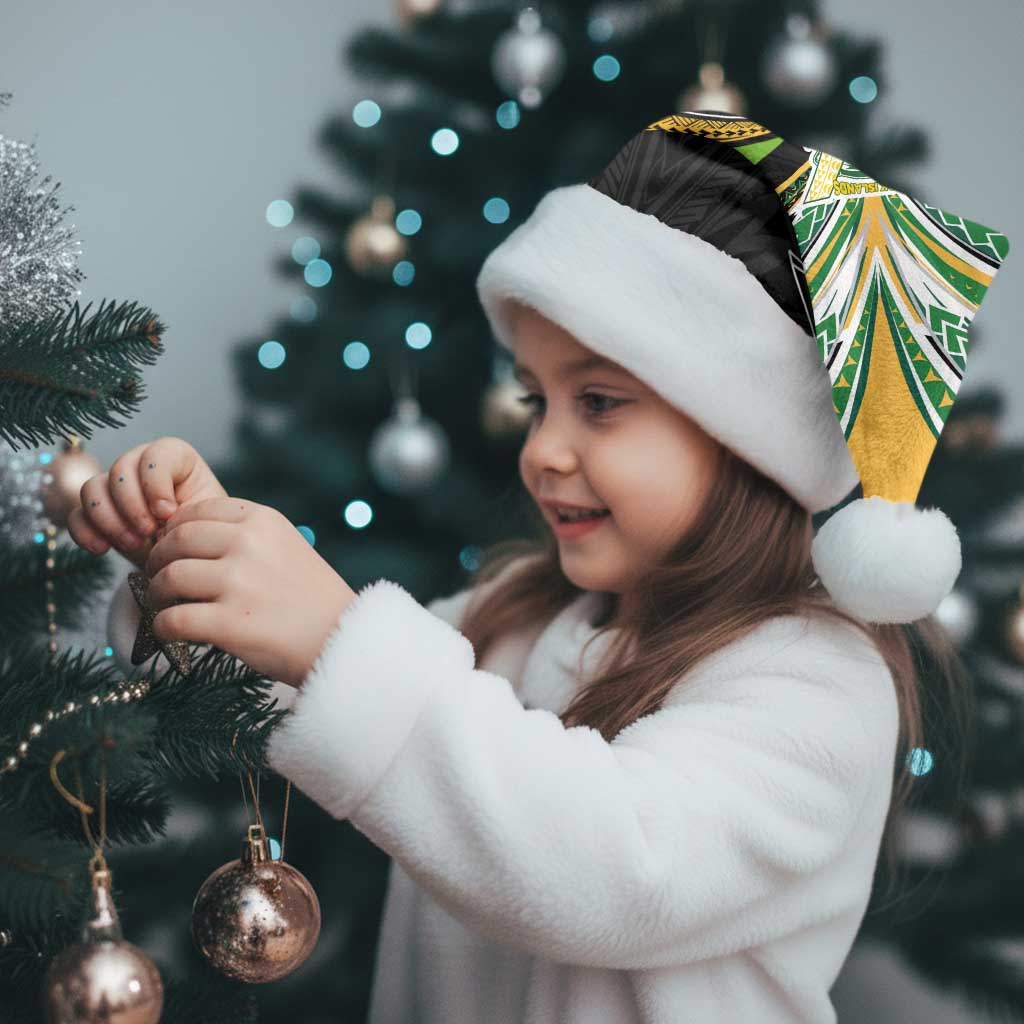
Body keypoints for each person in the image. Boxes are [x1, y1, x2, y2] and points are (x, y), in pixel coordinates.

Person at [78, 111, 1011, 1023]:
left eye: (598, 402)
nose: (542, 451)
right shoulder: (517, 614)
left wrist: (334, 636)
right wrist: (195, 565)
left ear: (747, 438)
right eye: (536, 401)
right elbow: (309, 694)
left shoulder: (818, 683)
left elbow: (615, 871)